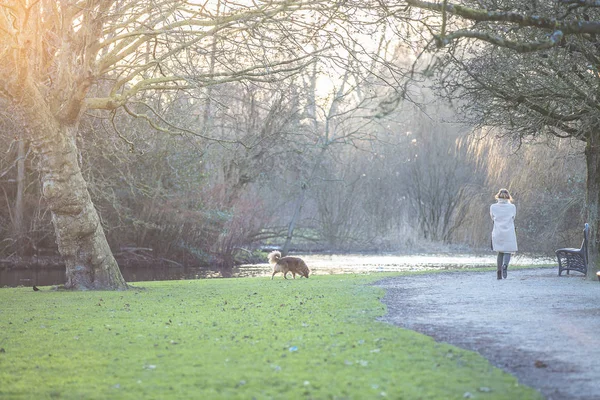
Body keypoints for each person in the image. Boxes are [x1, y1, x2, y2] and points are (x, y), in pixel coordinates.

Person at [490, 188, 517, 280]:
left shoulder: (493, 206)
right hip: (509, 231)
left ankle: (498, 273)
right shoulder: (512, 207)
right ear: (508, 197)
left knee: (499, 251)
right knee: (507, 251)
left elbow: (492, 218)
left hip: (497, 231)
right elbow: (513, 217)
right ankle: (505, 265)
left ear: (498, 196)